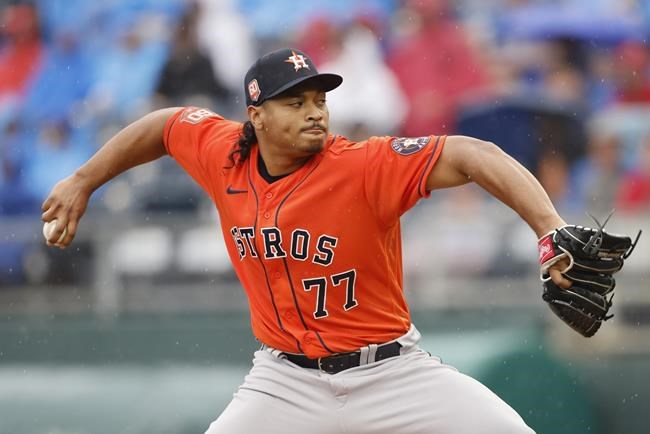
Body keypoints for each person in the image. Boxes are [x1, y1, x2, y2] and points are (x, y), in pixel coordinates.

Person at [43, 48, 576, 434]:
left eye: (318, 99)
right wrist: (83, 180)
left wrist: (548, 228)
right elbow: (164, 126)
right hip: (284, 382)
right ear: (256, 116)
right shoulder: (222, 152)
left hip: (392, 372)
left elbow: (474, 154)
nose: (315, 111)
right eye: (295, 102)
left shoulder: (363, 165)